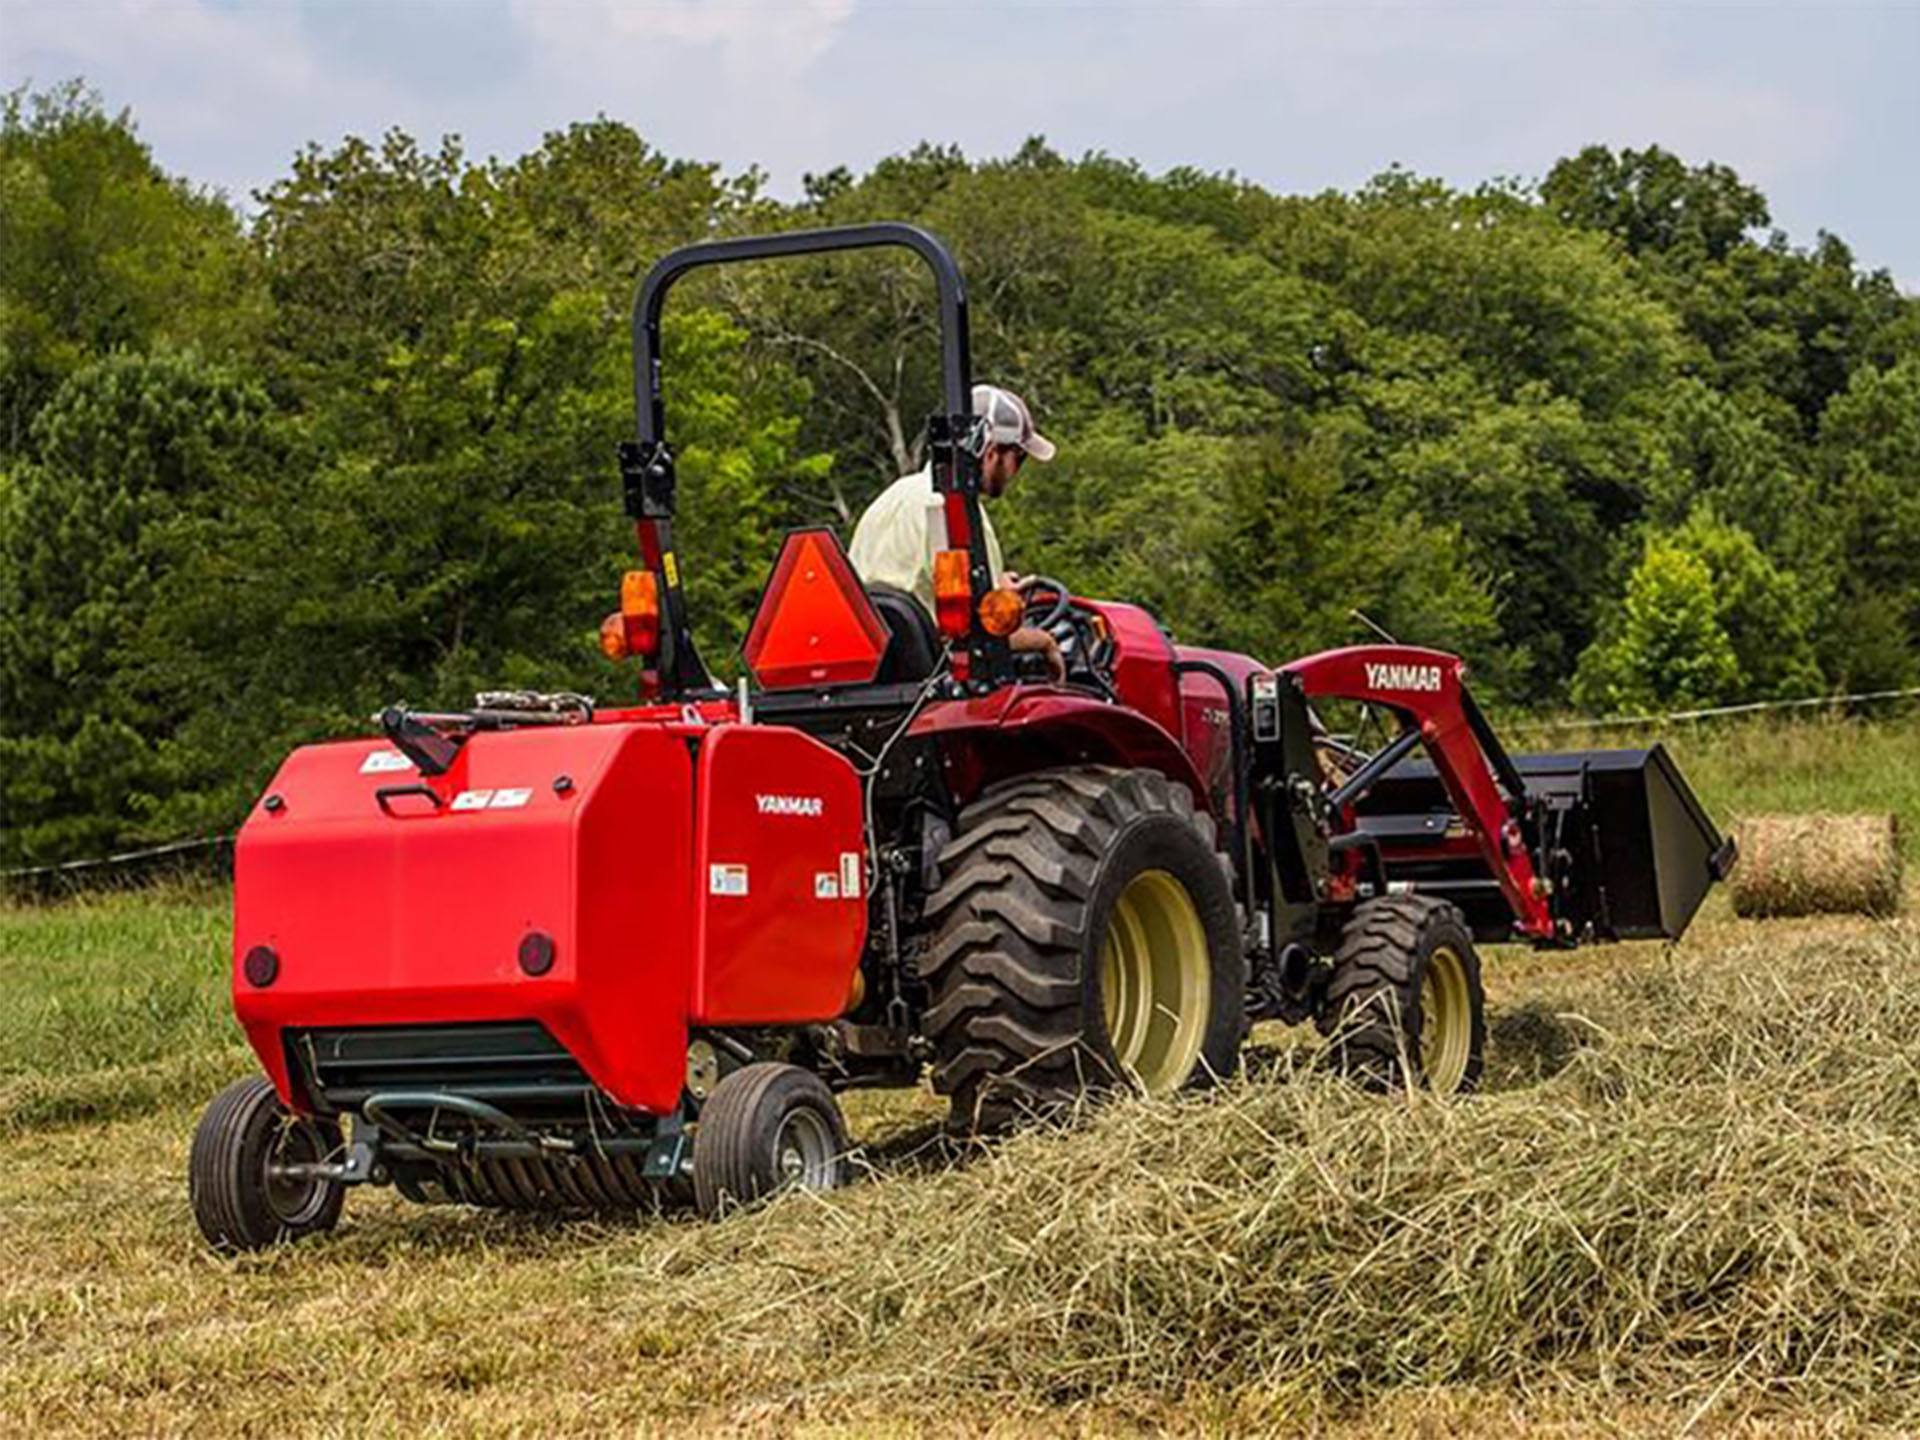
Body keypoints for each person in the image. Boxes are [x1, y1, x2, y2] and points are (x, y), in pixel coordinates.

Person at [849, 383, 1065, 680]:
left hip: (874, 675)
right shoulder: (957, 514)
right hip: (938, 679)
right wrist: (1044, 642)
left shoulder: (890, 499)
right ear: (991, 453)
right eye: (1019, 457)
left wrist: (994, 588)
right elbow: (980, 635)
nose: (1017, 471)